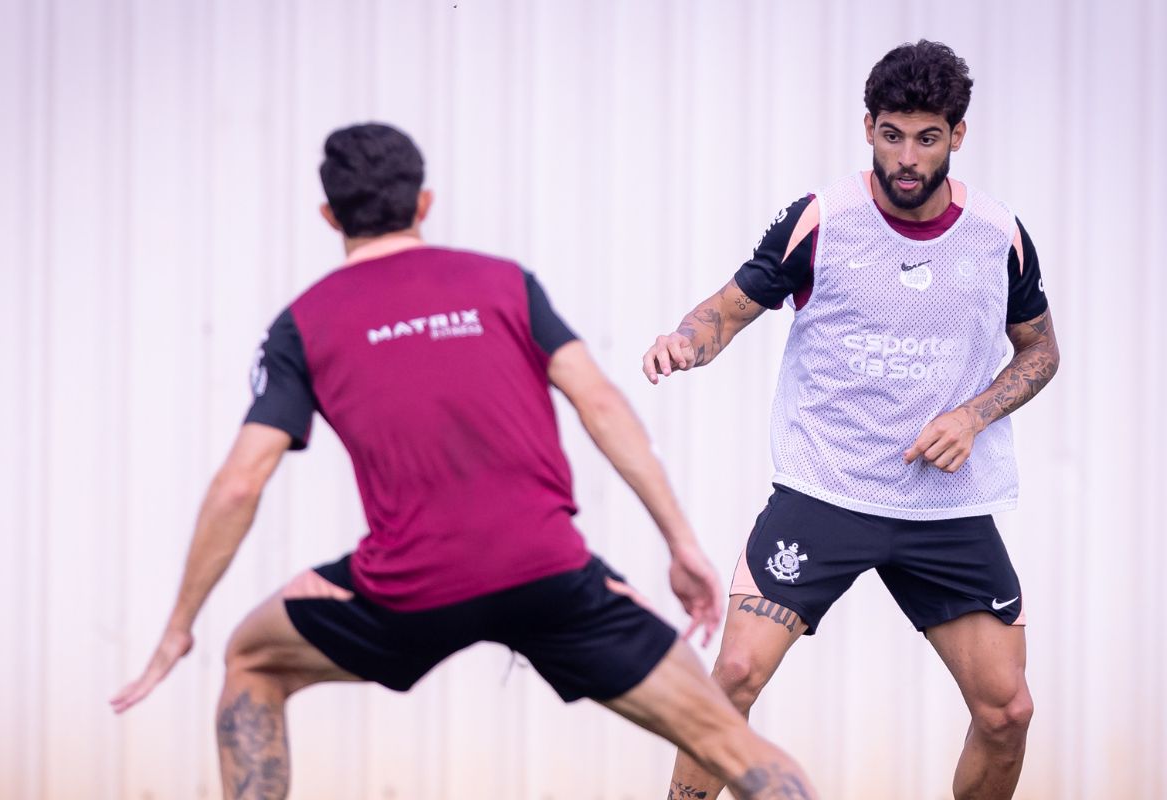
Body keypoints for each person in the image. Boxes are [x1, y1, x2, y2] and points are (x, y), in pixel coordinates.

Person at [110, 123, 816, 800]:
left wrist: (179, 626)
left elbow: (240, 483)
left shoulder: (303, 323)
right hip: (551, 576)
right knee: (730, 742)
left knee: (252, 658)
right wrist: (680, 543)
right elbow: (602, 404)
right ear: (423, 203)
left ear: (329, 215)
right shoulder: (505, 284)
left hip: (405, 588)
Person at [643, 41, 1059, 800]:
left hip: (946, 510)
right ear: (867, 126)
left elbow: (1040, 351)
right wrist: (686, 341)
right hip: (825, 493)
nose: (907, 156)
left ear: (956, 136)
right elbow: (726, 310)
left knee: (1008, 712)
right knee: (731, 677)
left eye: (927, 137)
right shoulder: (821, 220)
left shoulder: (999, 235)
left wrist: (973, 414)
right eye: (891, 134)